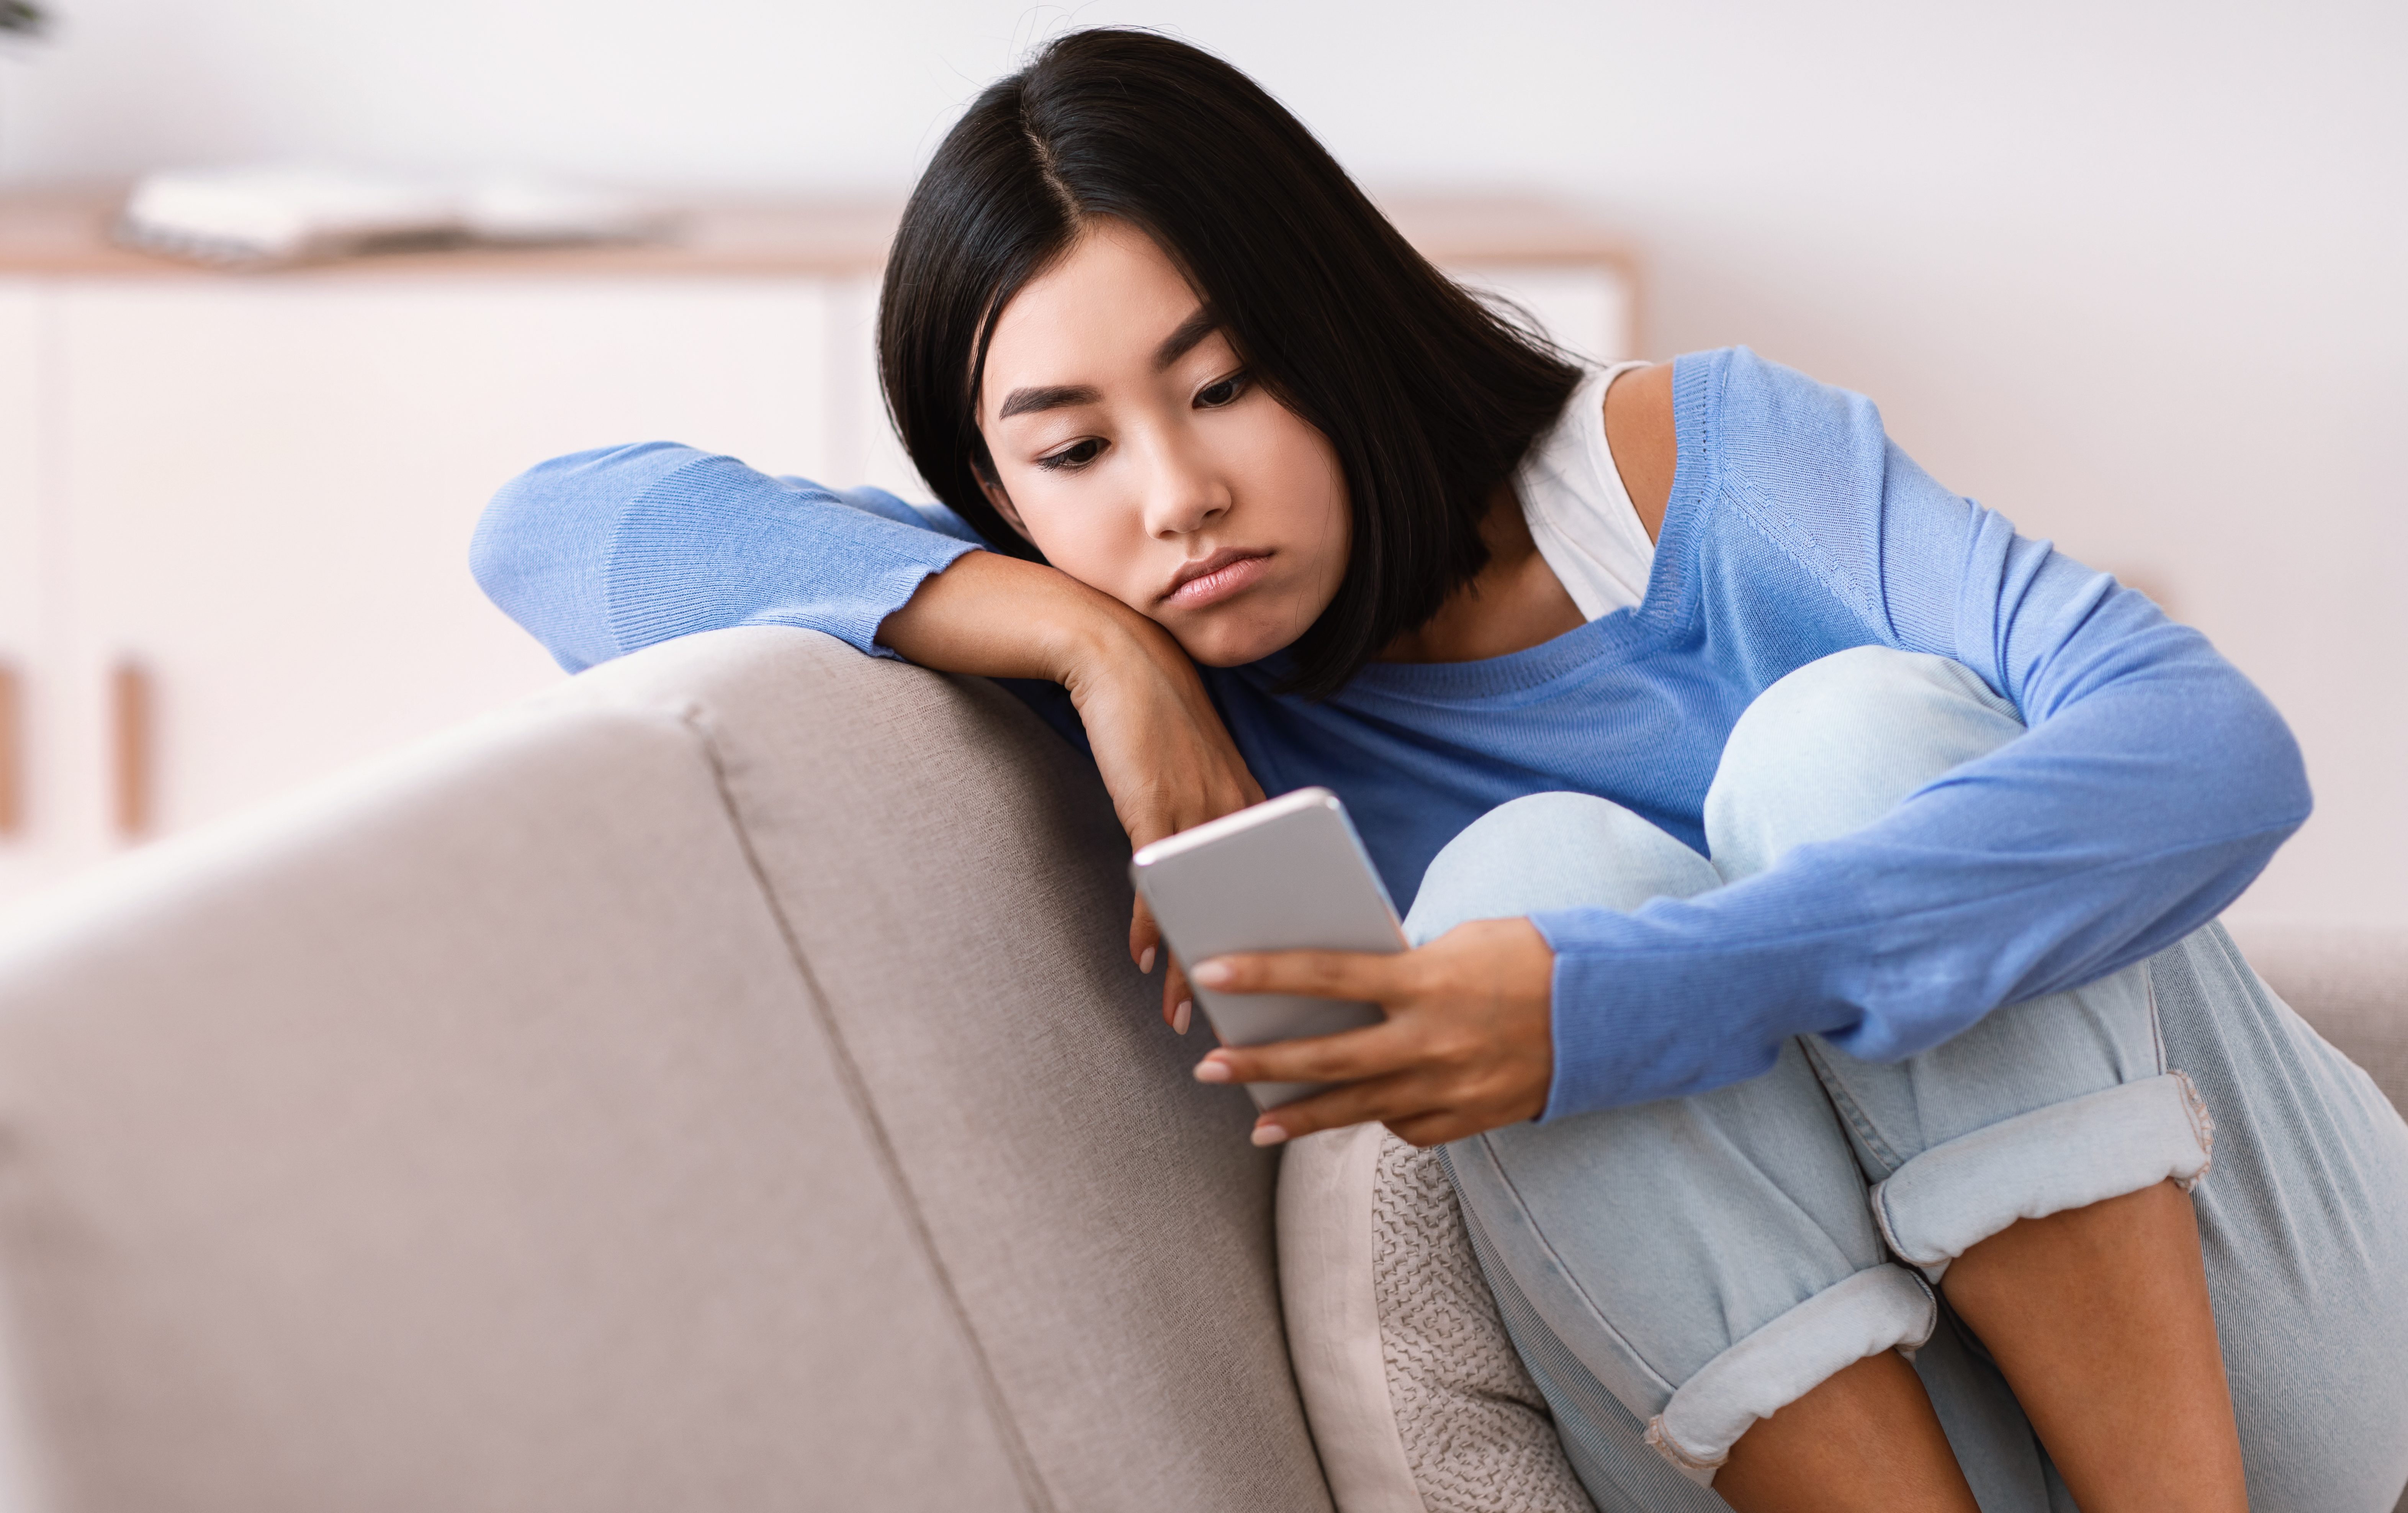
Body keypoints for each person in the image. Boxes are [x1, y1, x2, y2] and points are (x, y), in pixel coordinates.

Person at [469, 27, 2408, 1513]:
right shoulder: (1133, 662)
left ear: (1346, 323)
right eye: (1073, 452)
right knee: (1519, 873)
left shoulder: (1698, 463)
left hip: (2274, 1383)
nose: (1176, 496)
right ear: (996, 494)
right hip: (1849, 1448)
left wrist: (1616, 1000)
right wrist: (1093, 650)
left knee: (1858, 738)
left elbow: (2210, 752)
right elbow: (554, 528)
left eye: (1226, 383)